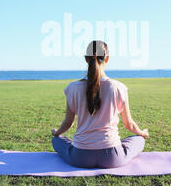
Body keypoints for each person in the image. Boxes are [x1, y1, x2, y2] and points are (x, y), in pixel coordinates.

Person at [51, 40, 149, 169]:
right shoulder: (118, 87)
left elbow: (68, 123)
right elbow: (129, 124)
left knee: (56, 140)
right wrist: (142, 133)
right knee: (139, 139)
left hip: (80, 157)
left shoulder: (73, 88)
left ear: (86, 59)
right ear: (107, 58)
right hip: (112, 157)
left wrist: (56, 133)